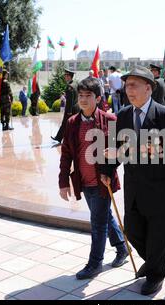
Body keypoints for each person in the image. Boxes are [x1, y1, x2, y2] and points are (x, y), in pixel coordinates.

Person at [100, 66, 165, 295]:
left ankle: (155, 275)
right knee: (132, 230)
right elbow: (115, 149)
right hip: (134, 188)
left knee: (159, 236)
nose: (128, 89)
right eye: (126, 85)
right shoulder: (122, 115)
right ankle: (153, 261)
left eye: (133, 85)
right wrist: (107, 170)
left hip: (162, 188)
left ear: (148, 88)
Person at [59, 78, 128, 279]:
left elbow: (121, 151)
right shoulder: (72, 122)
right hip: (83, 181)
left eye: (88, 95)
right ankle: (122, 248)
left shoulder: (111, 120)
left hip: (103, 182)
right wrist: (63, 182)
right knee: (104, 216)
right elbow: (66, 155)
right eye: (80, 95)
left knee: (97, 222)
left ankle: (95, 263)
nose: (83, 99)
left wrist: (109, 170)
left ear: (98, 98)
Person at [51, 68, 79, 143]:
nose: (65, 77)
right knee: (73, 124)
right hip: (76, 108)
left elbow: (70, 100)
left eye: (66, 75)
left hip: (70, 109)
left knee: (65, 124)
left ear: (69, 76)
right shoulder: (75, 84)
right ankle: (62, 138)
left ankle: (59, 138)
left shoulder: (70, 87)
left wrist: (69, 111)